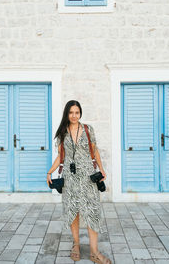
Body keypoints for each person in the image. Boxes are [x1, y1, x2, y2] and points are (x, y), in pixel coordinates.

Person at [47, 100, 111, 264]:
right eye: (71, 113)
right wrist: (50, 171)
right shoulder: (62, 132)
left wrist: (102, 169)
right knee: (72, 210)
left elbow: (94, 150)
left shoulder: (88, 130)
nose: (74, 116)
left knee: (92, 212)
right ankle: (76, 244)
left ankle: (94, 252)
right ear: (66, 114)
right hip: (70, 177)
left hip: (88, 176)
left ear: (80, 113)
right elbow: (60, 156)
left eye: (77, 112)